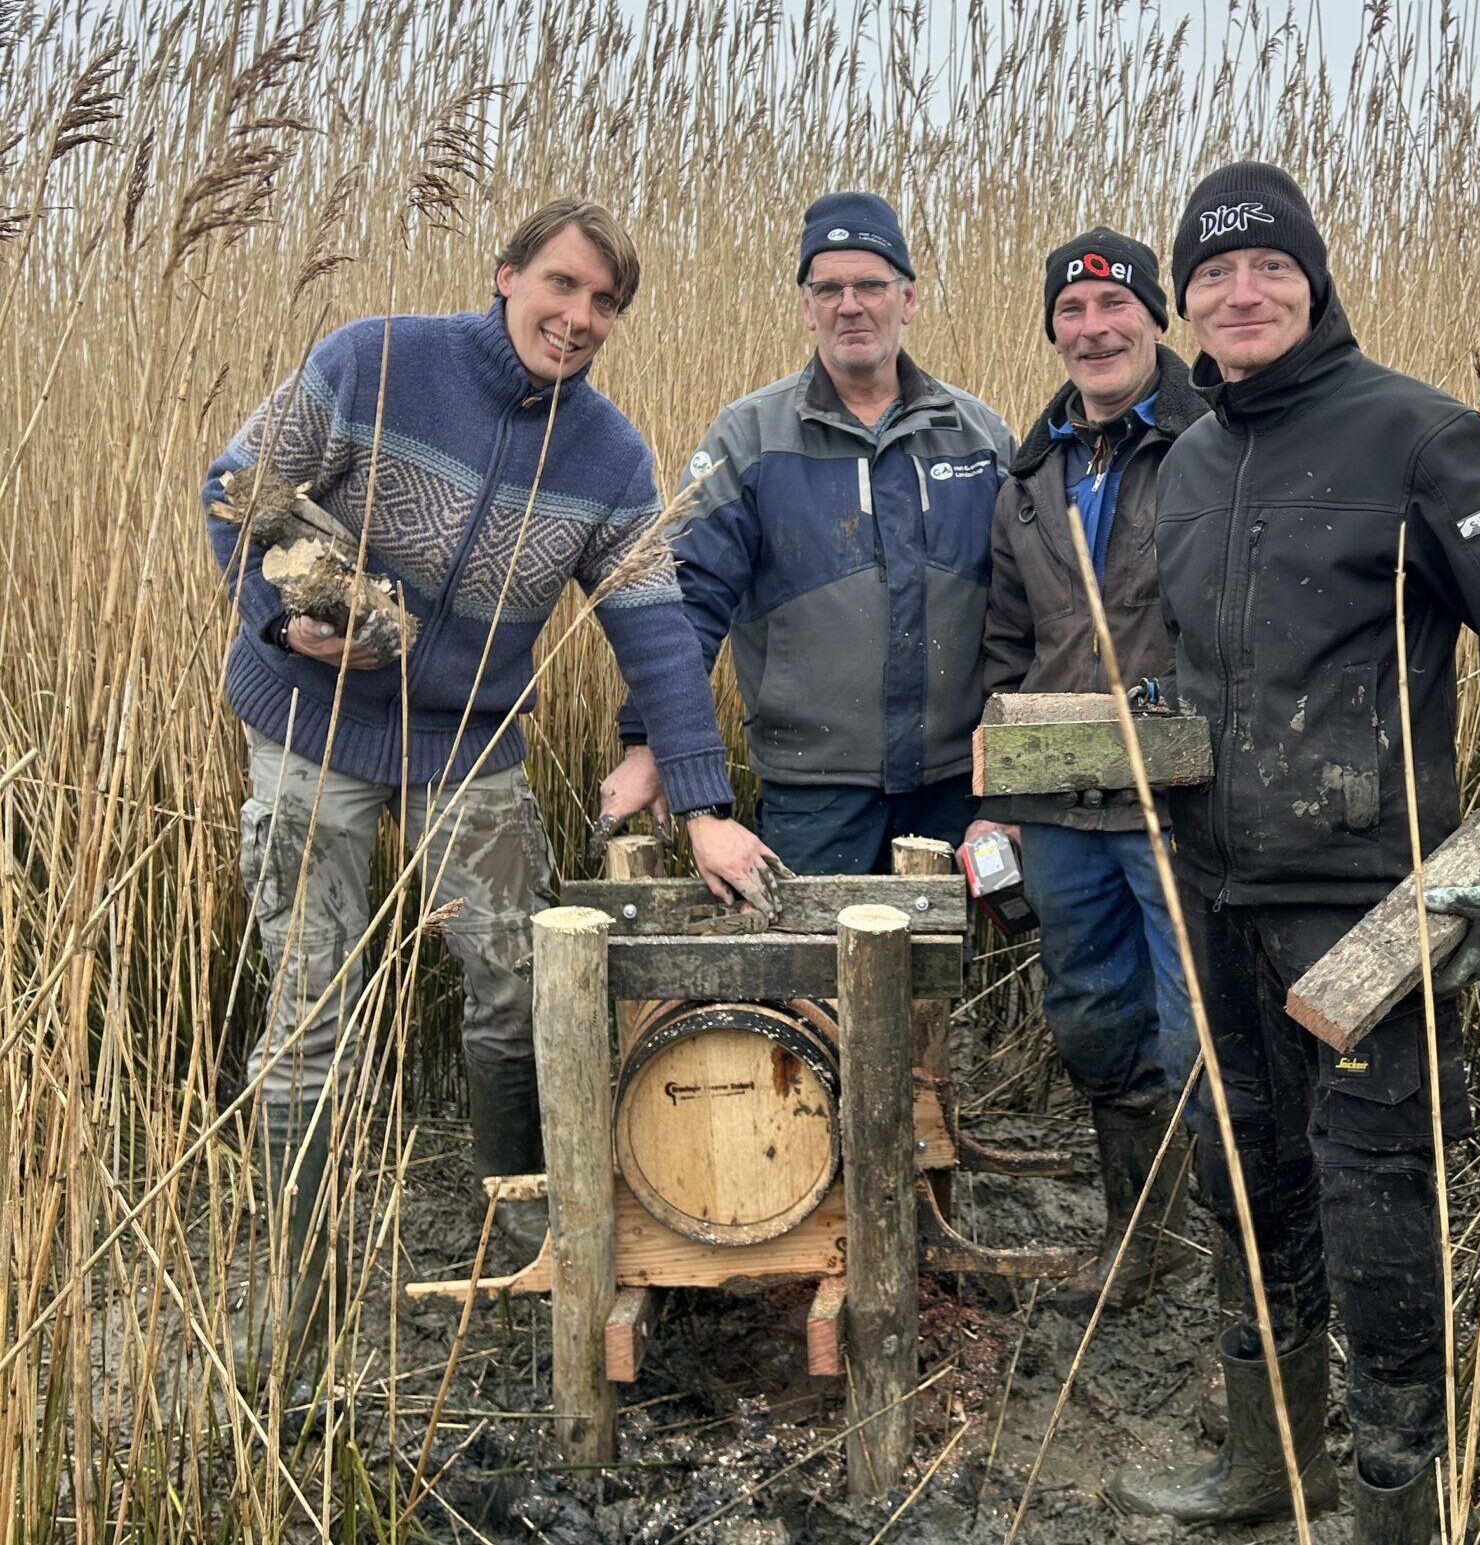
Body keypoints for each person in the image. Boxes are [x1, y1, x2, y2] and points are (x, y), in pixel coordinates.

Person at [1107, 163, 1480, 1539]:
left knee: (1379, 1207)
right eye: (1213, 274)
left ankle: (1398, 1498)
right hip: (1217, 894)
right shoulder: (1191, 461)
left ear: (1315, 281)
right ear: (1185, 302)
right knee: (1244, 1174)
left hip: (1367, 911)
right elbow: (1210, 671)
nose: (1242, 293)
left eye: (1269, 267)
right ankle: (1271, 1465)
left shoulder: (1421, 436)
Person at [203, 197, 778, 1385]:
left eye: (604, 302)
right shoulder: (373, 361)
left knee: (517, 984)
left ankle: (521, 1225)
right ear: (507, 273)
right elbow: (238, 487)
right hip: (309, 724)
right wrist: (278, 618)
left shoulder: (610, 457)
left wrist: (704, 802)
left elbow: (657, 629)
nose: (578, 317)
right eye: (561, 284)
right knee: (309, 1011)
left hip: (469, 743)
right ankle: (300, 1297)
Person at [969, 228, 1207, 1313]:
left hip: (1181, 801)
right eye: (1072, 311)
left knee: (1198, 1031)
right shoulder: (1030, 477)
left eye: (1116, 306)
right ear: (1053, 330)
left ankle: (1239, 1261)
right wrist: (998, 802)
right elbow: (1005, 649)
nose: (1095, 328)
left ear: (1156, 317)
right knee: (1093, 1021)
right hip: (1060, 804)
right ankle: (1139, 1244)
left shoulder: (1213, 446)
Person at [669, 192, 1014, 873]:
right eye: (829, 289)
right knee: (814, 948)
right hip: (813, 800)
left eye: (870, 286)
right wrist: (656, 749)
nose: (849, 305)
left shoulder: (980, 438)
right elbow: (685, 606)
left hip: (957, 794)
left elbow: (1027, 610)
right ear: (808, 308)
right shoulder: (750, 437)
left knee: (948, 949)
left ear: (908, 299)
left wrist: (1013, 784)